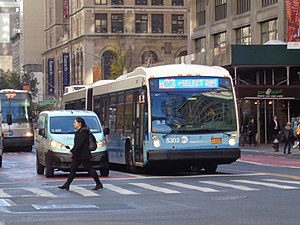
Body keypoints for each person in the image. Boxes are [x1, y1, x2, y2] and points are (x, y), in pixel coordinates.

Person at [58, 117, 103, 191]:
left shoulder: (83, 132)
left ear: (80, 123)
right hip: (79, 155)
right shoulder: (80, 131)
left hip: (83, 155)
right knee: (73, 170)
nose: (74, 124)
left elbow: (79, 144)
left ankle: (98, 183)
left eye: (75, 122)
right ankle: (67, 185)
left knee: (89, 169)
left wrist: (72, 151)